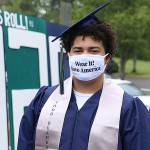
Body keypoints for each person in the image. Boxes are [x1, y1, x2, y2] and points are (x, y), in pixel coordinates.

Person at [17, 1, 150, 150]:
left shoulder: (128, 108)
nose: (85, 56)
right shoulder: (44, 100)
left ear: (107, 58)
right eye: (78, 50)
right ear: (69, 55)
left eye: (93, 51)